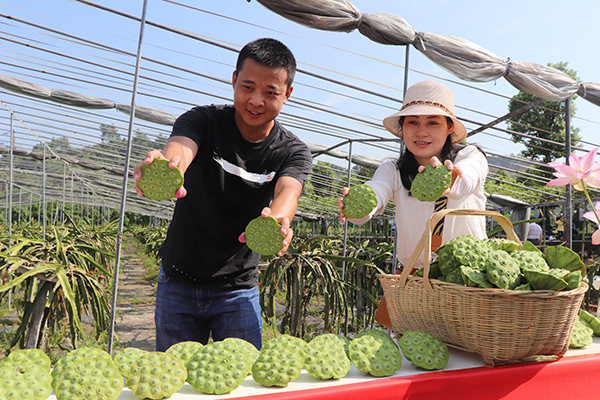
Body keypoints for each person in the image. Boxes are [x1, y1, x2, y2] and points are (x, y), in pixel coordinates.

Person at [133, 38, 313, 352]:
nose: (256, 100)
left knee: (242, 384)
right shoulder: (203, 120)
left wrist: (280, 219)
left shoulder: (293, 151)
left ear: (288, 94)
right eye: (247, 87)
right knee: (175, 381)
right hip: (178, 281)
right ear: (233, 80)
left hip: (238, 291)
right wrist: (168, 165)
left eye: (270, 92)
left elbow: (289, 189)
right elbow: (181, 149)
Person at [337, 80, 488, 328]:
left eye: (433, 122)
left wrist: (452, 180)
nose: (421, 132)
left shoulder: (470, 157)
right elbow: (377, 191)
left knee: (465, 356)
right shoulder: (393, 171)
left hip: (468, 284)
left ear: (450, 127)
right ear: (402, 128)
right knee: (411, 354)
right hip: (413, 282)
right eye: (412, 122)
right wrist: (361, 203)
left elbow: (468, 178)